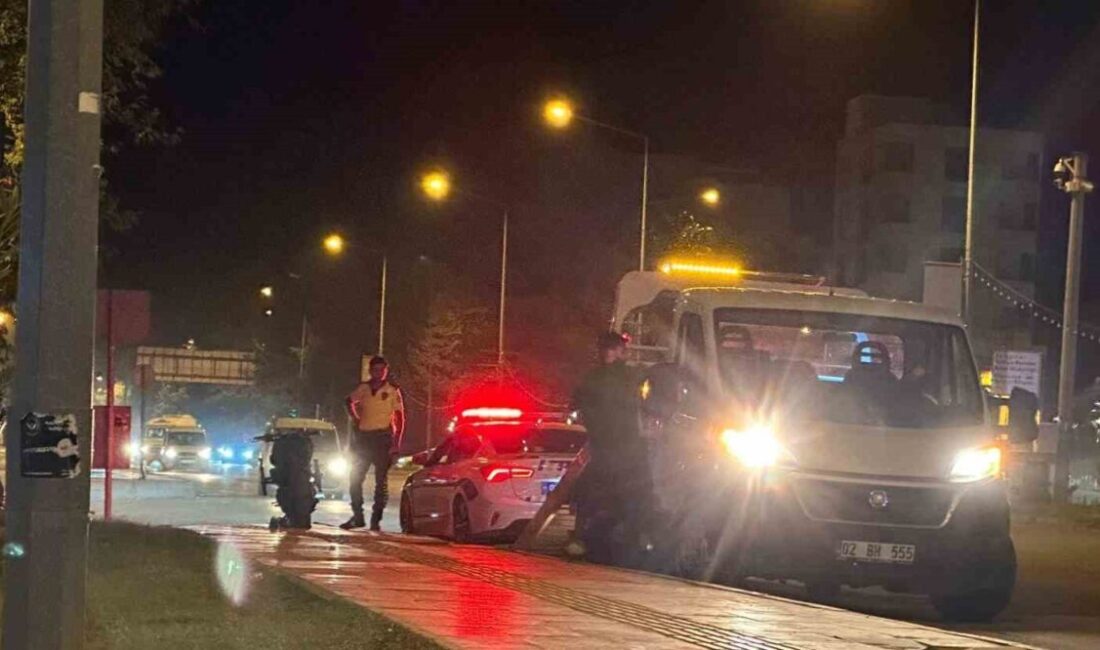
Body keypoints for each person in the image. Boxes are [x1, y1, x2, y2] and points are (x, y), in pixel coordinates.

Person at [571, 331, 650, 564]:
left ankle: (635, 538)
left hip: (626, 446)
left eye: (612, 349)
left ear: (621, 352)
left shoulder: (632, 376)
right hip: (606, 446)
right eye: (604, 348)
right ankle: (584, 537)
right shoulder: (593, 378)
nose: (607, 353)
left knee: (633, 493)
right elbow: (580, 404)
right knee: (590, 492)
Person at [341, 356, 405, 531]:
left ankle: (376, 519)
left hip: (382, 438)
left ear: (386, 371)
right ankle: (357, 515)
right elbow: (348, 401)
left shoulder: (392, 390)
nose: (379, 373)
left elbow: (400, 417)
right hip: (364, 439)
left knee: (381, 481)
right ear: (370, 371)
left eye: (382, 370)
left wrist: (396, 443)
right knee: (355, 478)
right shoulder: (363, 388)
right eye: (375, 370)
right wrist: (355, 418)